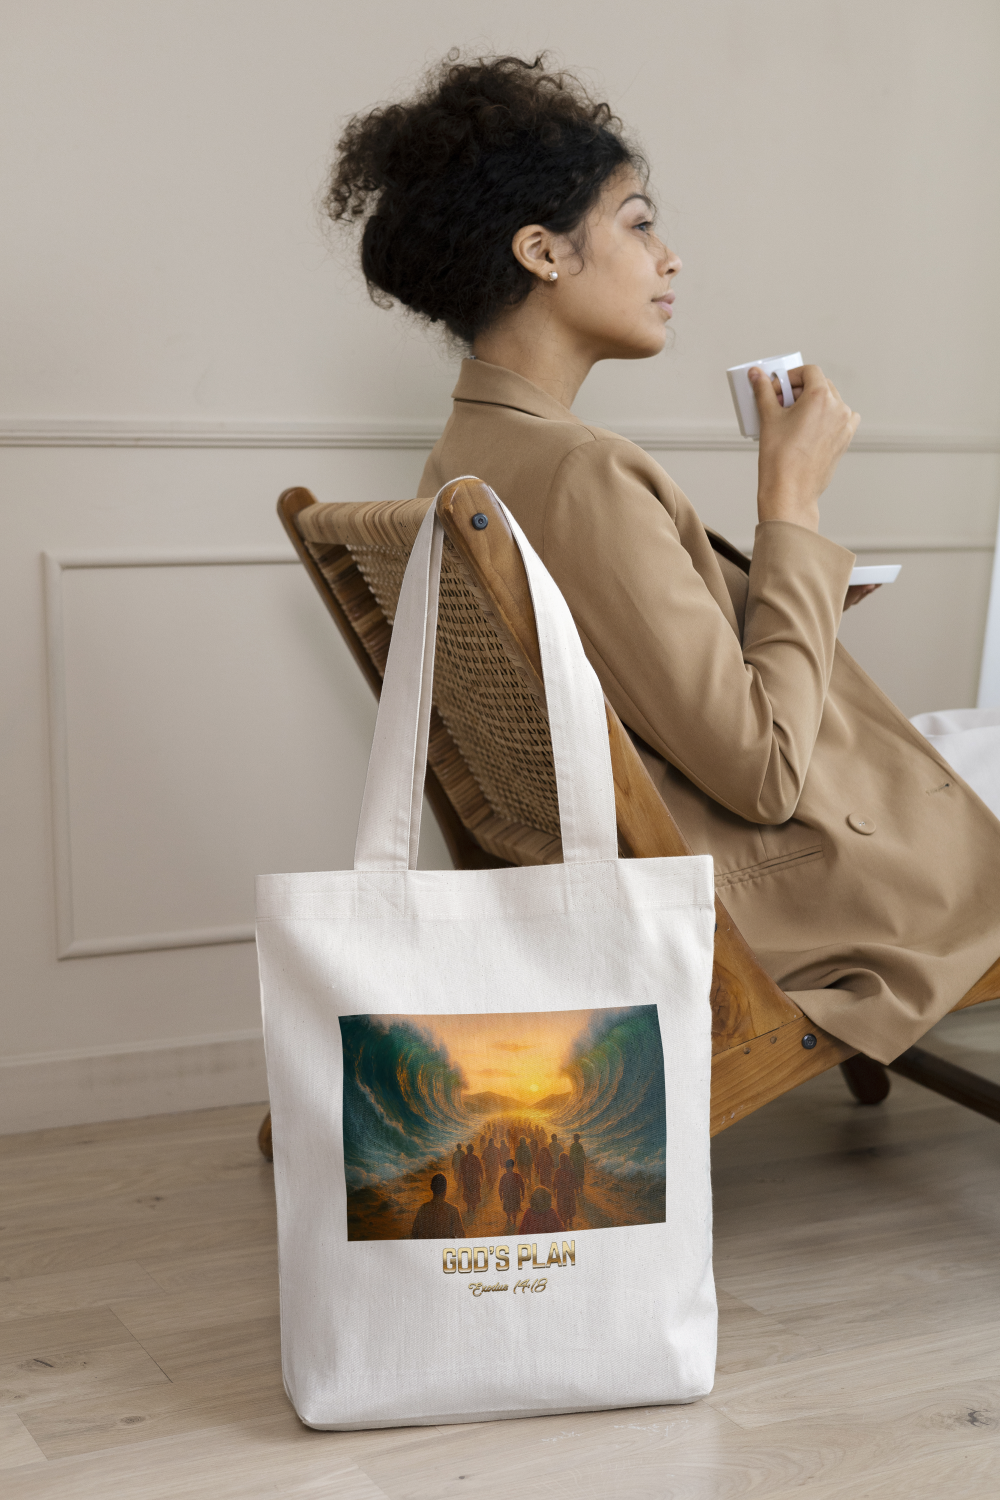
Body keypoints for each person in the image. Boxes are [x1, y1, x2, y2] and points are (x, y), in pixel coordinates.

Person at [326, 54, 1000, 1067]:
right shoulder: (582, 470)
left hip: (656, 865)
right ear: (542, 253)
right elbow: (765, 774)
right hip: (769, 889)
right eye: (639, 225)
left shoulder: (466, 455)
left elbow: (631, 675)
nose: (669, 258)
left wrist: (758, 597)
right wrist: (791, 500)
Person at [410, 1173, 466, 1239]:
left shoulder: (423, 1209)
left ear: (431, 1188)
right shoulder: (452, 1211)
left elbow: (414, 1235)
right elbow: (461, 1237)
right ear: (445, 1189)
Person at [498, 1158, 526, 1233]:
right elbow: (522, 1186)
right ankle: (513, 1221)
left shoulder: (504, 1176)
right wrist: (523, 1194)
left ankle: (511, 1219)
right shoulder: (517, 1176)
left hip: (508, 1196)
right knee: (514, 1209)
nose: (508, 1169)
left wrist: (501, 1195)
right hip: (514, 1196)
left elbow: (500, 1187)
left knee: (509, 1208)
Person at [552, 1152, 577, 1228]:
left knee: (563, 1209)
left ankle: (565, 1224)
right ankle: (570, 1222)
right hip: (570, 1193)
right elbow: (575, 1182)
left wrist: (554, 1191)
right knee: (570, 1207)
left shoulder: (558, 1171)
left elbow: (555, 1183)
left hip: (561, 1194)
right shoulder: (571, 1170)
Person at [460, 1142, 484, 1219]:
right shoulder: (475, 1158)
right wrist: (482, 1176)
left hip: (467, 1179)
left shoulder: (463, 1158)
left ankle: (468, 1208)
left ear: (467, 1150)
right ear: (472, 1150)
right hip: (475, 1179)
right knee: (474, 1192)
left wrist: (460, 1178)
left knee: (468, 1192)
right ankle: (473, 1209)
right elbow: (480, 1168)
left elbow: (461, 1170)